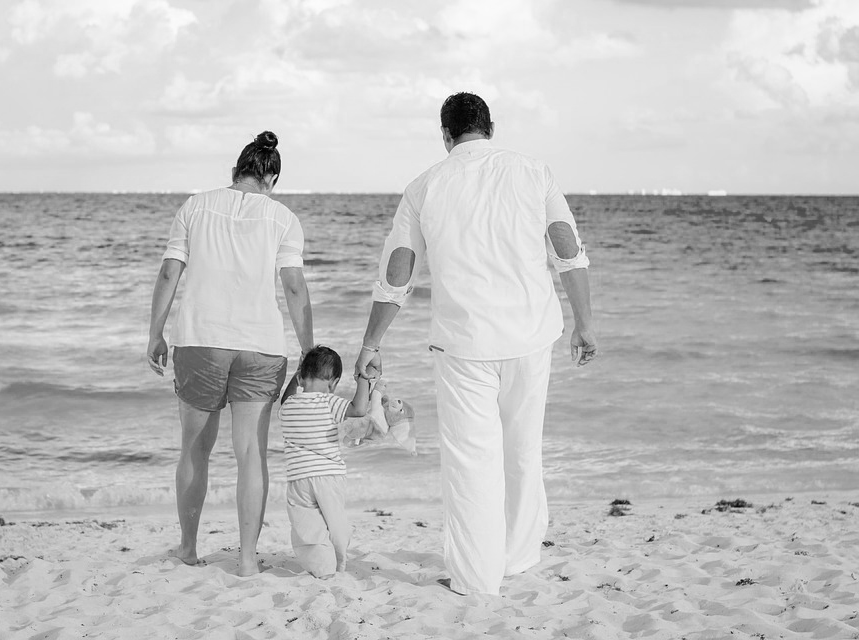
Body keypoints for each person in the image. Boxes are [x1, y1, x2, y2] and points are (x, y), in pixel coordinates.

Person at [355, 93, 598, 596]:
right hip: (531, 336)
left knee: (470, 460)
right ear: (491, 128)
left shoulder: (424, 186)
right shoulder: (534, 172)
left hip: (464, 345)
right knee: (522, 449)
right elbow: (567, 249)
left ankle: (476, 577)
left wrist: (371, 341)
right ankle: (518, 556)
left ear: (445, 136)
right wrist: (585, 323)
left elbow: (398, 269)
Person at [146, 131, 314, 576]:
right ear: (271, 178)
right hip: (260, 346)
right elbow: (294, 287)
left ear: (235, 171)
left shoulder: (194, 206)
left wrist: (155, 333)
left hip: (201, 340)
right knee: (251, 455)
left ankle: (187, 548)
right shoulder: (283, 219)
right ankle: (245, 560)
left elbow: (168, 274)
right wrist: (308, 349)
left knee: (195, 451)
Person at [278, 346, 370, 577]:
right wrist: (363, 380)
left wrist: (296, 373)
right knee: (335, 520)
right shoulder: (330, 402)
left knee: (306, 524)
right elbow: (359, 410)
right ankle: (339, 557)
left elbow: (285, 397)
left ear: (300, 377)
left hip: (298, 478)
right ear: (334, 383)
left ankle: (322, 567)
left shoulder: (288, 406)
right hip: (329, 475)